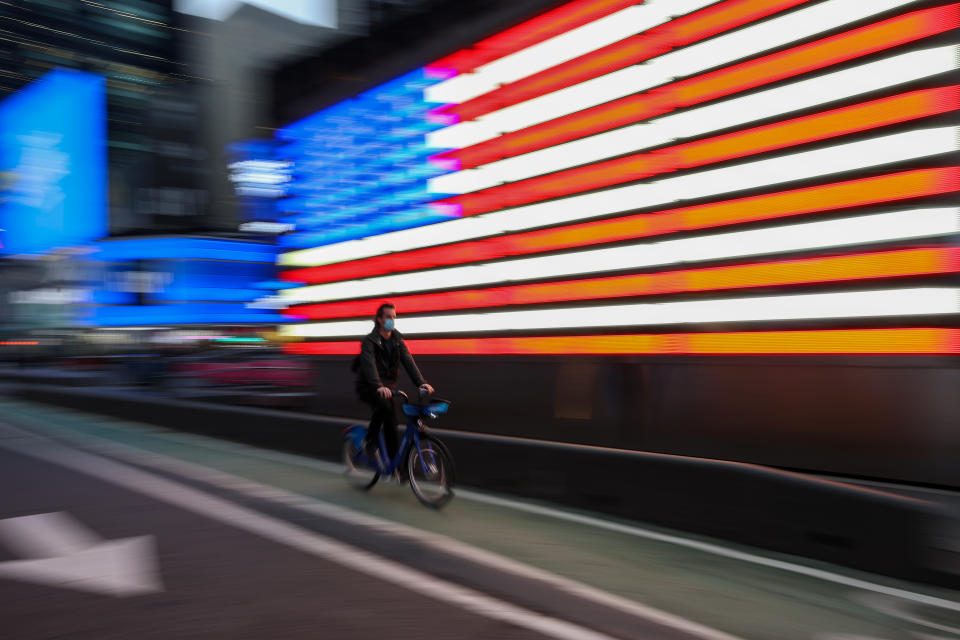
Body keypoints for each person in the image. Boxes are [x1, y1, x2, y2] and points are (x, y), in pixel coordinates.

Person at [354, 303, 434, 466]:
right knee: (386, 410)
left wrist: (421, 383)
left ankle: (394, 464)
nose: (392, 320)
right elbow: (369, 365)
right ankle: (370, 442)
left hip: (387, 388)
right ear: (379, 319)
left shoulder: (398, 341)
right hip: (368, 385)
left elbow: (409, 362)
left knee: (392, 421)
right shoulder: (369, 341)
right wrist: (378, 385)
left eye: (394, 317)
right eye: (388, 317)